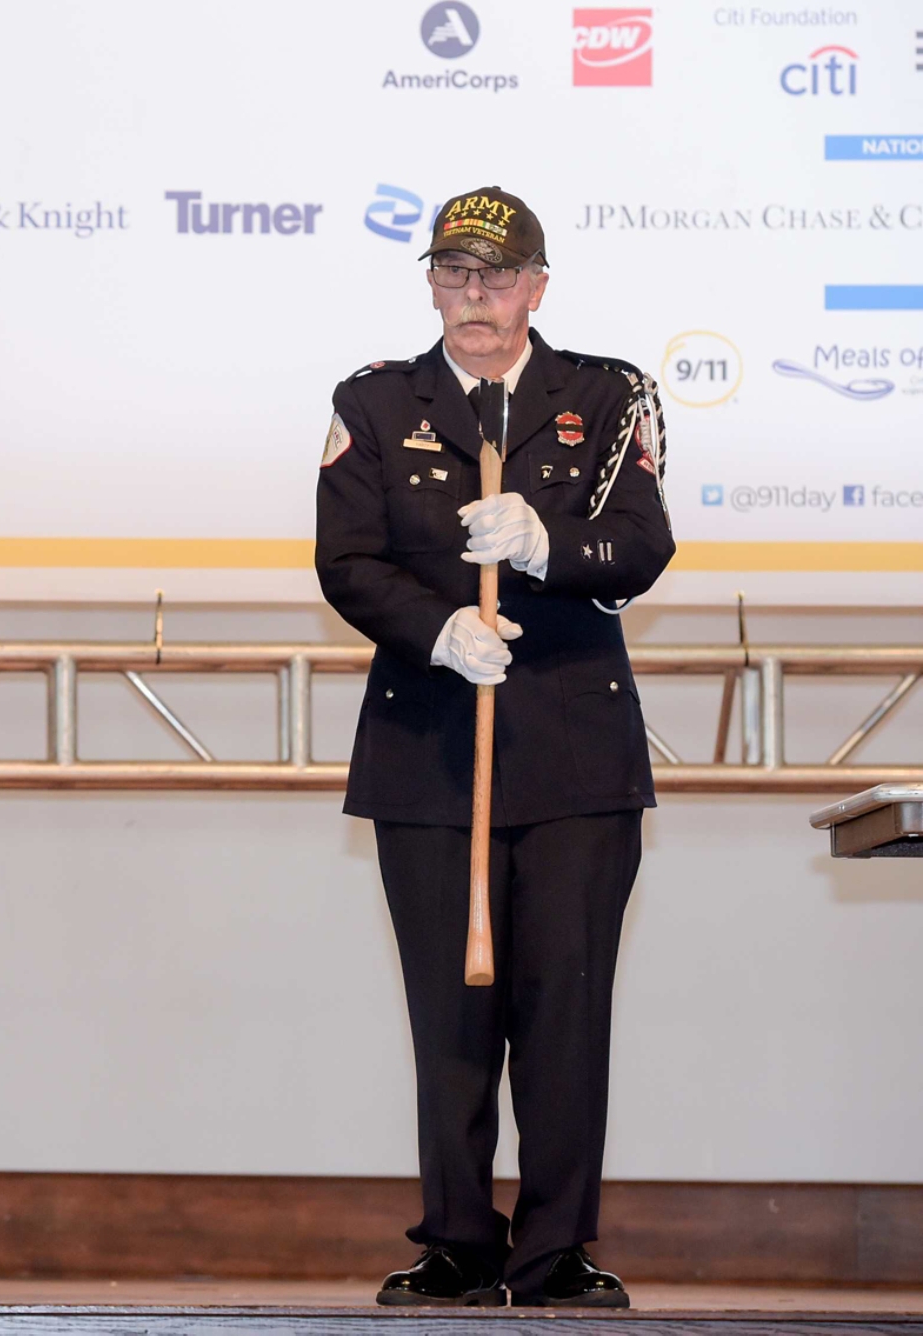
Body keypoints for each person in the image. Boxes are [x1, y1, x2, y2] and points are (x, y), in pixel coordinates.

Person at [314, 187, 673, 1308]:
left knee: (564, 1008)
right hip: (428, 747)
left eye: (497, 277)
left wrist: (544, 542)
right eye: (454, 276)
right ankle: (458, 1241)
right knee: (450, 1010)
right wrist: (437, 629)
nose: (475, 298)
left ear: (536, 287)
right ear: (429, 283)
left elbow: (639, 543)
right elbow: (346, 558)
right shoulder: (375, 401)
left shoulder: (606, 396)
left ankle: (556, 1247)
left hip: (572, 751)